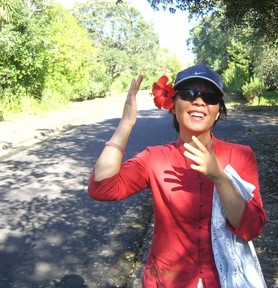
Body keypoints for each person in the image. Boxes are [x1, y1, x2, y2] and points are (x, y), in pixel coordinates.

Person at [88, 64, 267, 287]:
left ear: (218, 110)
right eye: (188, 94)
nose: (199, 101)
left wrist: (220, 178)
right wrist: (126, 123)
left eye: (210, 97)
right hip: (167, 280)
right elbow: (102, 187)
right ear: (173, 106)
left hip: (225, 279)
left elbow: (252, 228)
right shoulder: (155, 158)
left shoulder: (241, 156)